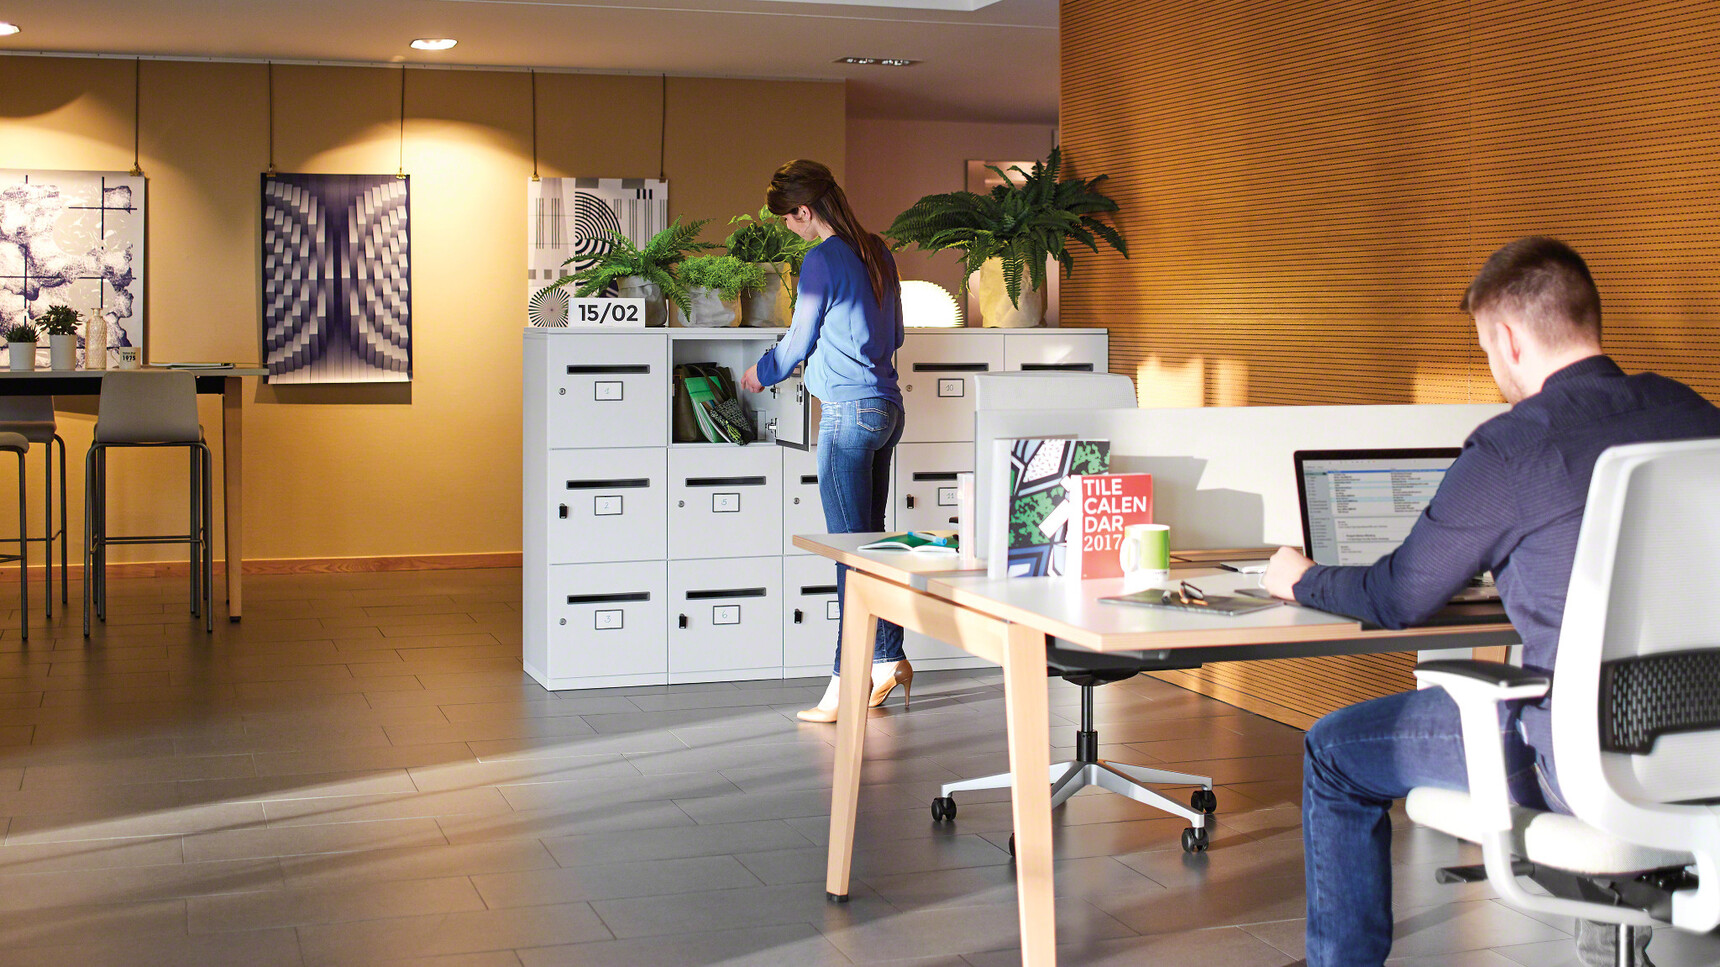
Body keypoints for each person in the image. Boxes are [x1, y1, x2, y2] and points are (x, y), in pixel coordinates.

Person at [1262, 237, 1720, 967]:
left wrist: (1302, 576)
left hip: (1574, 758)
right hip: (1704, 739)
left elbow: (1397, 594)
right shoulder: (1694, 412)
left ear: (1506, 339)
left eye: (1484, 347)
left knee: (1334, 750)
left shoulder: (1512, 447)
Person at [740, 159, 910, 724]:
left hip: (846, 416)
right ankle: (887, 659)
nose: (789, 228)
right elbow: (899, 335)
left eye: (788, 219)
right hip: (887, 409)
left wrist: (759, 373)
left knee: (848, 557)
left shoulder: (821, 260)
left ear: (804, 211)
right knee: (871, 546)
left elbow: (796, 343)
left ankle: (845, 680)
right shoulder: (877, 250)